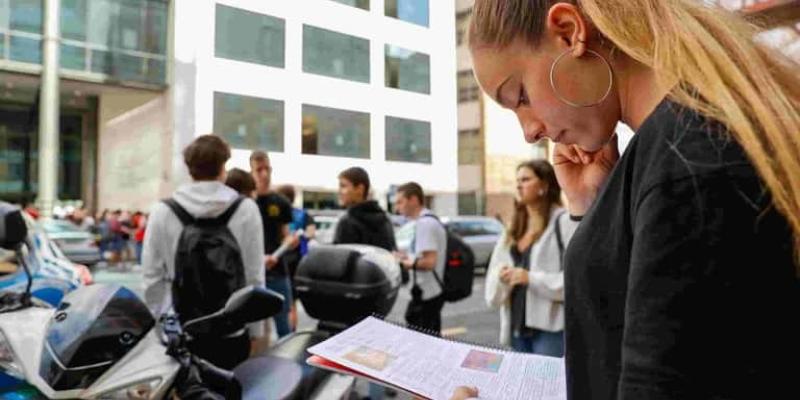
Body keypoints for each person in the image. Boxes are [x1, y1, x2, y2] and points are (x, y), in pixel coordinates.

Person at [451, 0, 800, 399]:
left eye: (521, 96)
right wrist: (593, 208)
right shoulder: (673, 147)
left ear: (568, 31)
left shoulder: (688, 165)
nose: (529, 132)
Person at [142, 135, 265, 369]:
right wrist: (255, 330)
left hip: (183, 331)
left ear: (189, 169)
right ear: (223, 167)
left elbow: (151, 277)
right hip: (232, 331)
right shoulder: (246, 209)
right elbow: (254, 275)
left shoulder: (163, 211)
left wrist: (162, 326)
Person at [485, 160, 577, 356]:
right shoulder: (514, 227)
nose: (519, 185)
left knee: (548, 377)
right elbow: (495, 268)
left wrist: (529, 278)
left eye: (526, 179)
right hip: (515, 326)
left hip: (550, 330)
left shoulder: (565, 222)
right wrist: (502, 275)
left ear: (544, 185)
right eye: (517, 181)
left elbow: (576, 280)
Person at [250, 150, 297, 341]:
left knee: (284, 326)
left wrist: (289, 242)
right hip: (252, 273)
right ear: (251, 172)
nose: (264, 174)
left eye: (267, 169)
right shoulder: (245, 202)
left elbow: (286, 235)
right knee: (253, 328)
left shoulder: (280, 202)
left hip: (277, 271)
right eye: (259, 170)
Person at [394, 182, 447, 335]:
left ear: (414, 200)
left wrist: (403, 263)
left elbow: (429, 262)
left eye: (400, 202)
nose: (397, 208)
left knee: (422, 341)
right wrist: (406, 257)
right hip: (430, 293)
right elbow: (424, 256)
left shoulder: (425, 224)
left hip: (425, 295)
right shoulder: (428, 220)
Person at [275, 184, 316, 331]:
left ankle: (288, 331)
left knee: (284, 300)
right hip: (299, 261)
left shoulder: (277, 214)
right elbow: (311, 233)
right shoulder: (303, 214)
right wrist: (301, 235)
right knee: (292, 301)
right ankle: (292, 331)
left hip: (280, 259)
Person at [333, 167, 396, 252]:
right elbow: (392, 252)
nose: (339, 191)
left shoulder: (347, 222)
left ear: (360, 189)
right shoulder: (385, 219)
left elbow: (340, 257)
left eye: (343, 186)